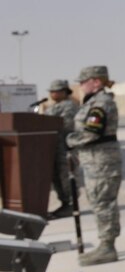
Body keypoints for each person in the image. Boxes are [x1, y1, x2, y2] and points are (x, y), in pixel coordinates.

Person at [67, 66, 122, 265]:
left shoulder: (101, 104)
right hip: (95, 160)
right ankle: (105, 244)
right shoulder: (93, 102)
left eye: (83, 81)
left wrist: (70, 141)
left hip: (102, 162)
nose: (80, 86)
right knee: (100, 202)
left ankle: (107, 247)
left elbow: (92, 132)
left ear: (96, 81)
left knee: (103, 202)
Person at [45, 79, 79, 219]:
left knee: (65, 177)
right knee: (57, 177)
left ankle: (70, 205)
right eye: (51, 91)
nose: (53, 94)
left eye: (56, 91)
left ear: (64, 92)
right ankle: (65, 204)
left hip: (66, 148)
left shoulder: (69, 106)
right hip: (56, 147)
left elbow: (66, 125)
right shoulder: (55, 106)